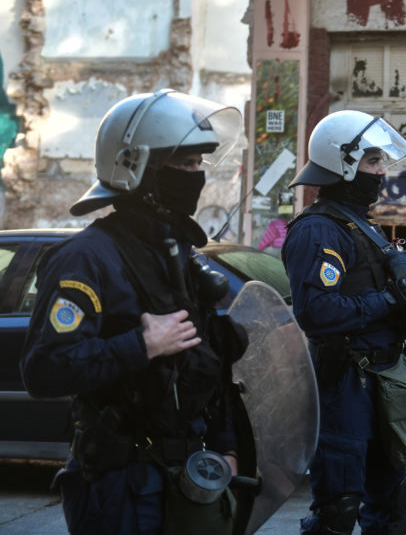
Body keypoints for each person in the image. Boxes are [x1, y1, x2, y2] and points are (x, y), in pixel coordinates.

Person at [20, 89, 248, 535]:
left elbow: (205, 365)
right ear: (136, 167)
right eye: (184, 164)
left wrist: (227, 446)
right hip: (120, 483)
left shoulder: (179, 253)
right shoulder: (85, 258)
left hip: (190, 478)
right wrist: (140, 345)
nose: (196, 175)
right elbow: (42, 370)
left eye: (199, 163)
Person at [282, 110, 406, 535]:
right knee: (339, 507)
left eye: (382, 161)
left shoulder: (362, 225)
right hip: (345, 383)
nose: (382, 171)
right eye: (372, 161)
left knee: (390, 505)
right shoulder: (318, 230)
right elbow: (316, 313)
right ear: (343, 163)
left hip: (383, 380)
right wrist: (389, 298)